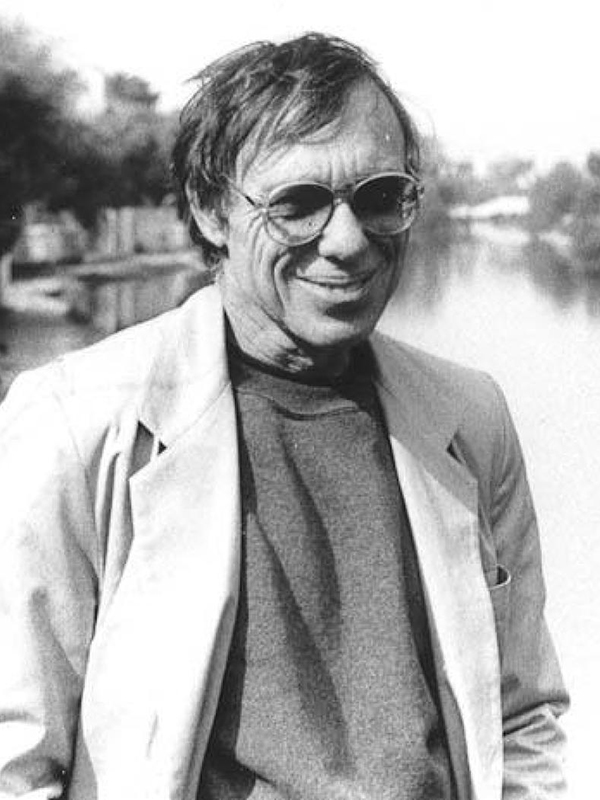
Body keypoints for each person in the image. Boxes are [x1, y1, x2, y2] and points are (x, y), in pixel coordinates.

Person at [0, 33, 568, 800]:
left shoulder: (470, 417)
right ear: (210, 211)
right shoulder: (74, 424)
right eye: (298, 205)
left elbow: (522, 717)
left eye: (380, 197)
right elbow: (15, 759)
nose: (348, 242)